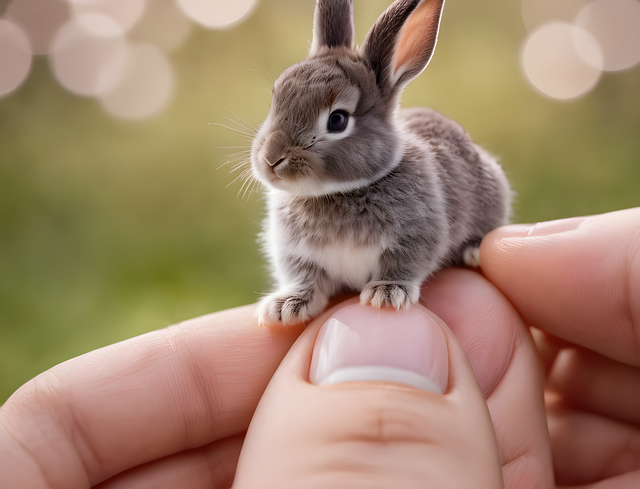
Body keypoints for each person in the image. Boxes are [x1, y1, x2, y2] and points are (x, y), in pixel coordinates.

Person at [0, 208, 638, 488]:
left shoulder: (406, 181)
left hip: (446, 245)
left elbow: (423, 226)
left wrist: (401, 275)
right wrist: (305, 286)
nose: (277, 153)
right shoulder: (294, 199)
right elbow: (292, 242)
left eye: (331, 124)